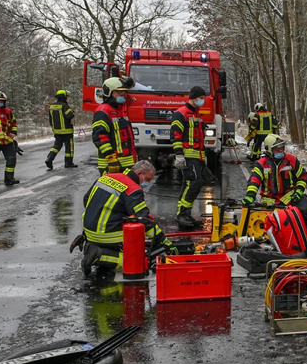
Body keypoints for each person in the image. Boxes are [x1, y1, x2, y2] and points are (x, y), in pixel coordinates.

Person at [77, 160, 172, 277]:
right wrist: (162, 240)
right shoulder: (133, 189)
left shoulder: (106, 177)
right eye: (147, 180)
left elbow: (86, 200)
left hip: (89, 231)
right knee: (137, 262)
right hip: (106, 236)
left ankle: (96, 247)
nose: (147, 183)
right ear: (139, 173)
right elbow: (144, 219)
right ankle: (99, 255)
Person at [171, 85, 211, 229]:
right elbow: (175, 136)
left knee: (190, 184)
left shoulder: (197, 114)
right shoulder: (181, 114)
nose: (202, 101)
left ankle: (185, 214)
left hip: (197, 156)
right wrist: (179, 155)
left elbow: (200, 138)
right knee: (193, 183)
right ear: (193, 98)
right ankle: (182, 214)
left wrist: (203, 156)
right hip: (188, 156)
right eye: (201, 98)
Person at [243, 134, 307, 216]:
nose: (280, 150)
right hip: (270, 202)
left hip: (290, 198)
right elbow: (254, 180)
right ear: (269, 149)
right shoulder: (262, 164)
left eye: (282, 147)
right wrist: (250, 195)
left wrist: (299, 191)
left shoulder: (291, 160)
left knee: (306, 208)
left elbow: (302, 176)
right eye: (276, 148)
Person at [92, 77, 137, 174]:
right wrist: (110, 158)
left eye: (124, 92)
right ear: (109, 92)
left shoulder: (121, 109)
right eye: (119, 92)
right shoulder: (103, 111)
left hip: (126, 163)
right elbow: (100, 137)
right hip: (111, 165)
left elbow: (131, 99)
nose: (123, 94)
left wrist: (127, 82)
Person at [45, 89, 77, 170]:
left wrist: (54, 129)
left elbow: (50, 119)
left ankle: (50, 158)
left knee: (57, 146)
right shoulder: (64, 106)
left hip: (57, 131)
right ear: (64, 97)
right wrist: (72, 111)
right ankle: (68, 163)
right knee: (69, 147)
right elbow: (69, 116)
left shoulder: (52, 106)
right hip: (67, 131)